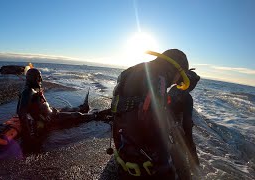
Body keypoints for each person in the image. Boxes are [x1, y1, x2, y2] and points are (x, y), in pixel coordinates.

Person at [110, 49, 190, 179]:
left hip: (123, 154)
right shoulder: (159, 78)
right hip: (142, 169)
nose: (176, 83)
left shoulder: (135, 70)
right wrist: (167, 170)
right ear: (175, 68)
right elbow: (155, 127)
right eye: (179, 78)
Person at [17, 68, 96, 152]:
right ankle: (96, 115)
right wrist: (29, 135)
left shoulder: (32, 88)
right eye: (38, 77)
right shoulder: (28, 91)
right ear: (32, 78)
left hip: (52, 112)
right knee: (76, 115)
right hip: (50, 118)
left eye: (40, 77)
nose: (41, 79)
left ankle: (82, 107)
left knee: (68, 109)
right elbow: (21, 112)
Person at [168, 68, 200, 169]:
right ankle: (196, 168)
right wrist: (190, 142)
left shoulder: (173, 89)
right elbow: (186, 124)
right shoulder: (188, 98)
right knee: (188, 146)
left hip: (165, 123)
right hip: (173, 128)